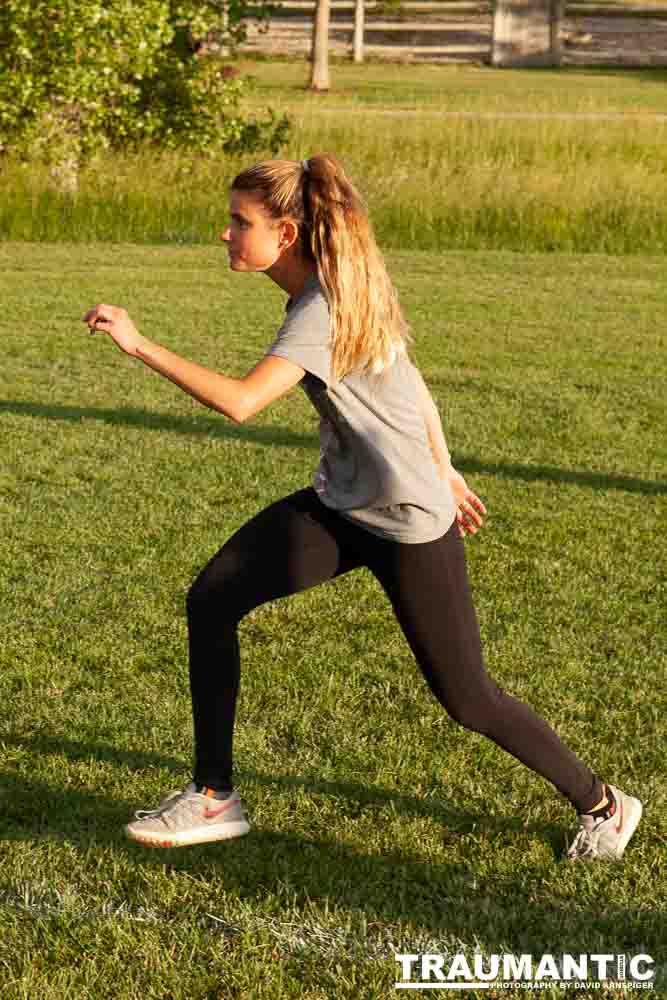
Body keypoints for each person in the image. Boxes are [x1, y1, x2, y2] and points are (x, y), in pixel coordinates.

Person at [83, 154, 642, 861]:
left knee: (466, 697)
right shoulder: (339, 287)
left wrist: (137, 344)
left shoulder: (322, 308)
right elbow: (412, 385)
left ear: (285, 234)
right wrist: (446, 465)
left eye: (239, 222)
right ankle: (214, 795)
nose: (225, 234)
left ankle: (604, 803)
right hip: (342, 504)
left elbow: (241, 402)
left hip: (405, 520)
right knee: (213, 599)